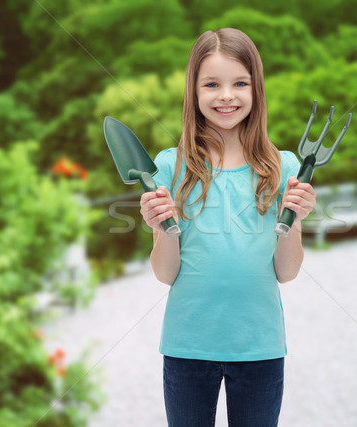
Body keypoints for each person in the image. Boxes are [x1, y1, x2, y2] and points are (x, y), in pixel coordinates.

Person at [139, 27, 316, 427]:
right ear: (194, 91)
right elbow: (166, 274)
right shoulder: (169, 167)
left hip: (259, 346)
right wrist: (162, 227)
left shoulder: (284, 168)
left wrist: (297, 218)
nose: (226, 95)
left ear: (256, 91)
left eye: (240, 83)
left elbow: (286, 272)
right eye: (211, 84)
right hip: (188, 345)